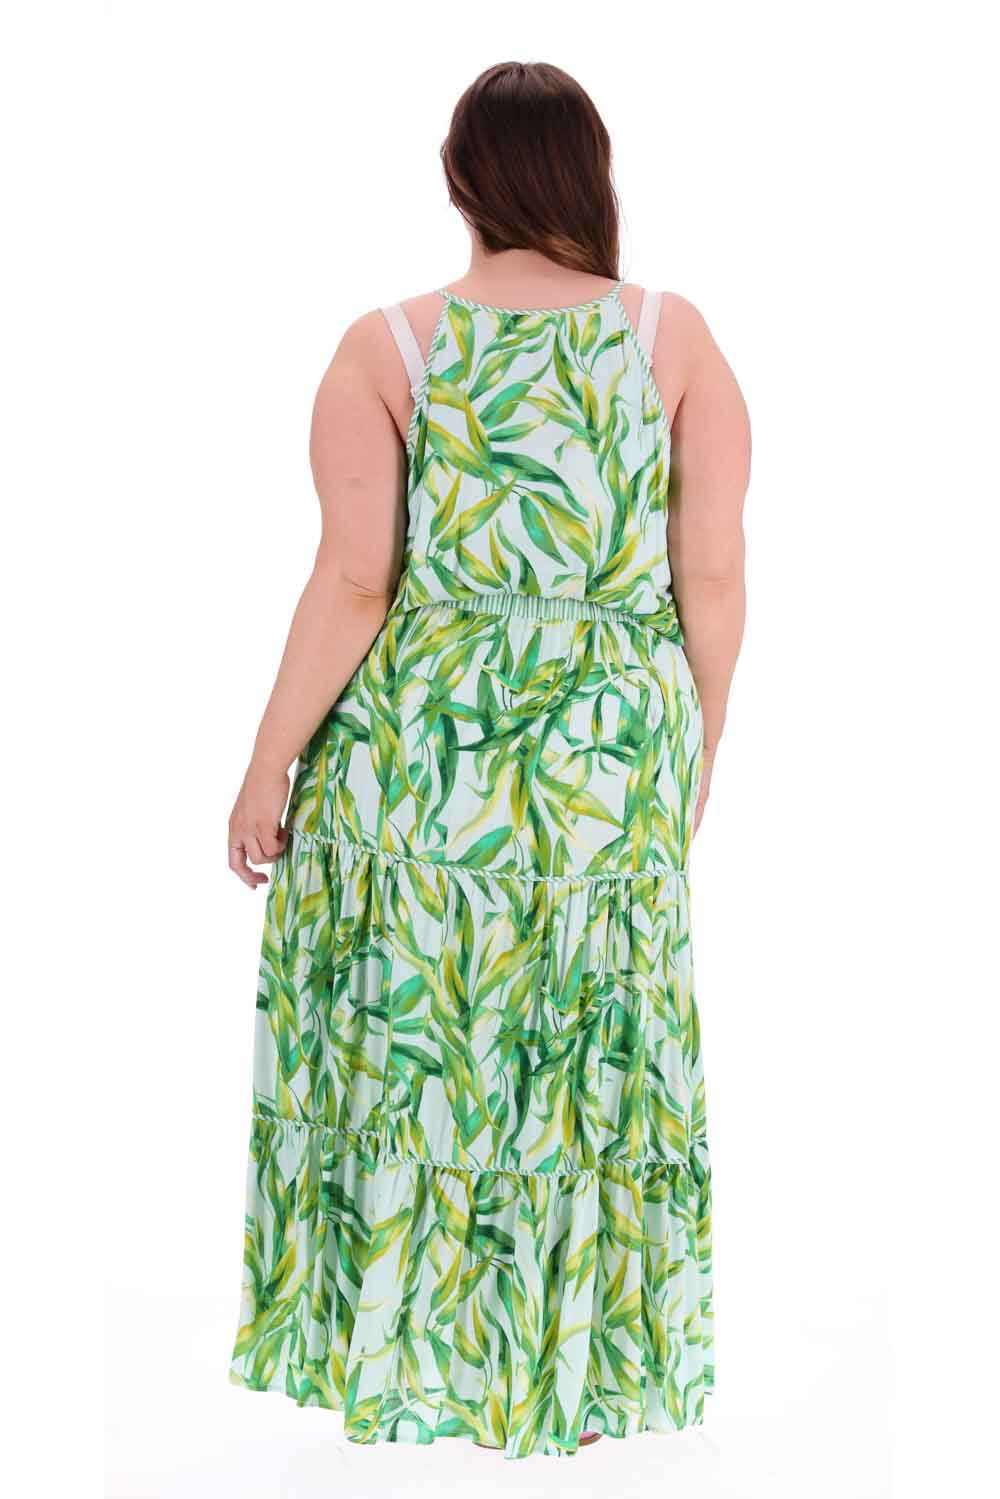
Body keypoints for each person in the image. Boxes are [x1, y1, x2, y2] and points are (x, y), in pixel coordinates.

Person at [226, 60, 750, 1461]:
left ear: (460, 180)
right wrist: (691, 744)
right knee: (582, 1045)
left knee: (426, 1046)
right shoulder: (672, 339)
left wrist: (268, 763)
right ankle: (569, 1360)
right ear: (594, 175)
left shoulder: (388, 348)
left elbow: (356, 579)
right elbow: (710, 570)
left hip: (419, 767)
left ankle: (407, 1342)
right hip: (607, 756)